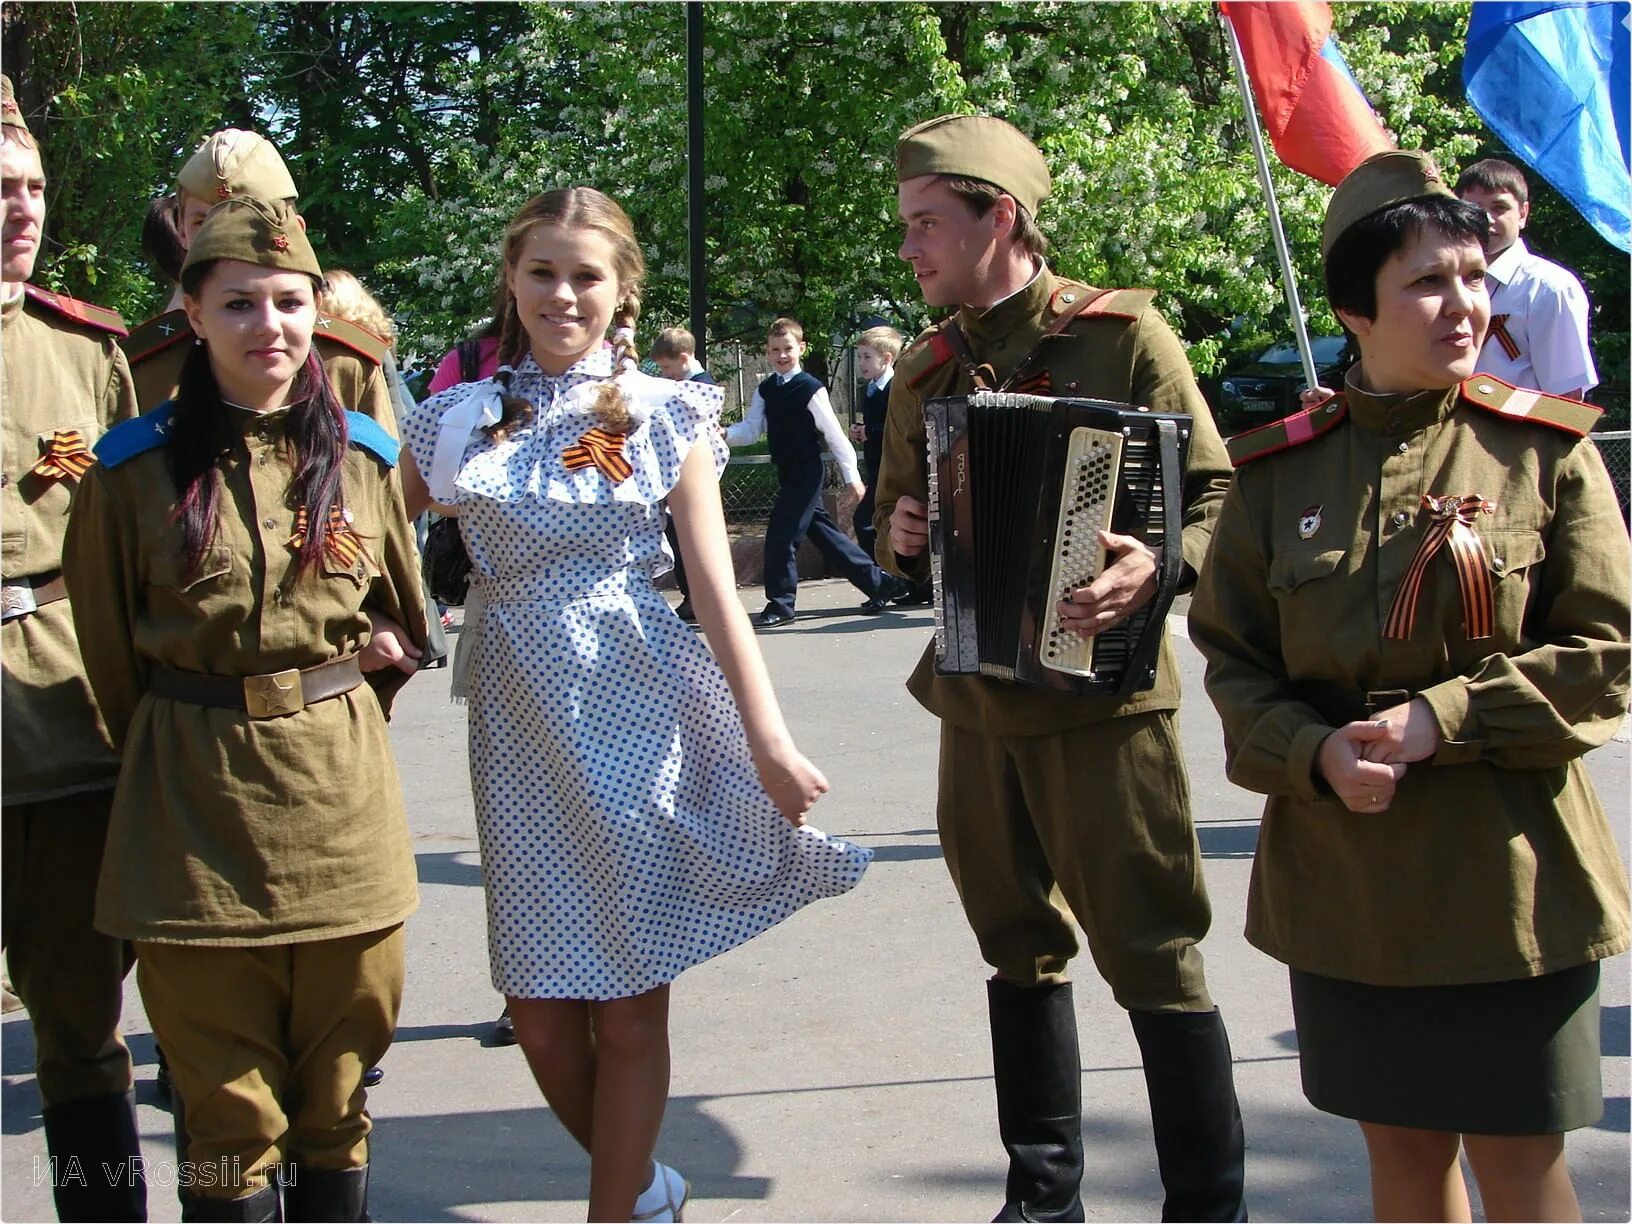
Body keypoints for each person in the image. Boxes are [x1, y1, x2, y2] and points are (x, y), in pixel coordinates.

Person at [395, 186, 871, 1221]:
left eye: (585, 276)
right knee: (538, 1012)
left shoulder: (663, 411)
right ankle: (645, 1182)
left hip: (636, 708)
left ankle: (620, 1210)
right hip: (516, 725)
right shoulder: (453, 417)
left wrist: (771, 744)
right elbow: (374, 541)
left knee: (624, 994)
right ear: (511, 279)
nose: (562, 295)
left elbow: (713, 591)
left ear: (621, 290)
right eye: (542, 273)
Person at [1190, 150, 1631, 1224]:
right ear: (1355, 308)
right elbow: (1235, 663)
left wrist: (1441, 722)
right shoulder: (1277, 477)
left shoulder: (1541, 454)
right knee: (1404, 1154)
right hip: (1351, 883)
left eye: (1475, 274)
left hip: (1512, 876)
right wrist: (1315, 751)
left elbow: (1608, 651)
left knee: (1522, 1159)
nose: (1465, 303)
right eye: (1430, 282)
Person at [874, 113, 1246, 1223]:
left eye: (928, 225)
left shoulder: (1125, 337)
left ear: (1004, 219)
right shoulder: (926, 363)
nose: (910, 251)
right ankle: (1044, 1197)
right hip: (978, 697)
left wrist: (1159, 565)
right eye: (906, 228)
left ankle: (1205, 1206)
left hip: (1103, 702)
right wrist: (900, 532)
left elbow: (1220, 497)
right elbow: (902, 517)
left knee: (1150, 949)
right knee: (1013, 944)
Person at [63, 196, 428, 1222]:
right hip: (191, 818)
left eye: (287, 302)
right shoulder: (129, 473)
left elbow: (400, 621)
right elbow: (107, 658)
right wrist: (197, 722)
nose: (268, 325)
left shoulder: (360, 458)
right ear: (191, 312)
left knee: (339, 1100)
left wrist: (341, 701)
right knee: (225, 1119)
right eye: (239, 304)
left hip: (342, 820)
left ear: (315, 311)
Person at [0, 73, 147, 1224]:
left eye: (35, 185)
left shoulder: (83, 346)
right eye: (2, 187)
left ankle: (101, 1210)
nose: (24, 207)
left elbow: (120, 535)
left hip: (57, 714)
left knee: (78, 1025)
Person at [121, 129, 399, 434]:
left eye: (252, 222)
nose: (224, 238)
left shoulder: (347, 364)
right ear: (181, 232)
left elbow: (384, 477)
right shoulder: (145, 367)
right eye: (204, 222)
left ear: (296, 230)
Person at [726, 317, 906, 627]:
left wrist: (852, 478)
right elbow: (751, 430)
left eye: (788, 349)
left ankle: (780, 604)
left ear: (801, 349)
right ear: (767, 352)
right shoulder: (766, 390)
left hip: (808, 472)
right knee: (825, 535)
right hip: (786, 470)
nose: (782, 355)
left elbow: (835, 435)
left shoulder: (809, 388)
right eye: (775, 350)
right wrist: (724, 433)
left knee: (781, 535)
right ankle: (881, 583)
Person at [320, 268, 448, 668]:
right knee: (403, 550)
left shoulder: (354, 349)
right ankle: (424, 633)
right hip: (385, 454)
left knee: (392, 553)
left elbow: (389, 410)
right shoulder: (369, 341)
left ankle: (420, 632)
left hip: (372, 459)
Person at [1455, 158, 1597, 400]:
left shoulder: (1549, 288)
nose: (1487, 219)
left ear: (1522, 214)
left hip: (1518, 434)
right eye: (1474, 209)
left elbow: (1566, 399)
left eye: (1499, 208)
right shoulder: (1443, 285)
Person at [848, 325, 930, 605]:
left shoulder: (897, 387)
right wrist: (862, 431)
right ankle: (908, 585)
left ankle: (884, 584)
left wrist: (871, 431)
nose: (861, 363)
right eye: (859, 357)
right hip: (877, 468)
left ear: (886, 358)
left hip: (896, 470)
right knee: (884, 525)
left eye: (866, 357)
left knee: (866, 522)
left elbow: (903, 427)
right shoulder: (870, 390)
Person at [651, 325, 715, 622]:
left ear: (685, 358)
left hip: (696, 474)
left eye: (667, 367)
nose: (665, 374)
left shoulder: (699, 386)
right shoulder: (682, 385)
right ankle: (692, 596)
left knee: (691, 538)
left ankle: (700, 597)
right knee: (678, 537)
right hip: (681, 472)